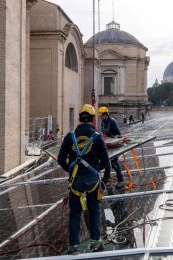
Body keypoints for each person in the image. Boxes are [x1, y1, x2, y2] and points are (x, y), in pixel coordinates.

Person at [57, 104, 109, 255]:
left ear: (79, 118)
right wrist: (96, 170)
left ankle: (73, 246)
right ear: (93, 120)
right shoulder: (97, 138)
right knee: (94, 210)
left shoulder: (70, 136)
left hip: (75, 181)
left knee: (75, 212)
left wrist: (71, 170)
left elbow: (61, 159)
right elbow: (106, 161)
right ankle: (95, 242)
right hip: (92, 180)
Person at [98, 106, 125, 189]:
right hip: (107, 144)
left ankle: (121, 180)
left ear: (105, 115)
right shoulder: (103, 121)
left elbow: (118, 134)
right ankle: (107, 177)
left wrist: (113, 139)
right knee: (106, 160)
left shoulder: (112, 122)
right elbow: (103, 132)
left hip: (115, 144)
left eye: (101, 116)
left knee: (114, 162)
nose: (101, 118)